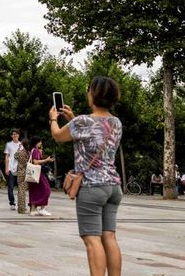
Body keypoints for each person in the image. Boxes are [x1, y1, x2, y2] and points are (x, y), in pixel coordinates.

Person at [51, 76, 124, 276]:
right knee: (109, 237)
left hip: (92, 188)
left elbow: (58, 136)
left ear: (93, 94)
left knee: (92, 239)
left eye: (88, 89)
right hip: (113, 187)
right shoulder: (116, 122)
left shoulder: (83, 121)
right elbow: (95, 132)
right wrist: (73, 119)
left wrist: (53, 119)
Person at [28, 137, 54, 216]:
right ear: (36, 142)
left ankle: (33, 209)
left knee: (34, 190)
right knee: (47, 190)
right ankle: (42, 208)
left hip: (33, 174)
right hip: (38, 173)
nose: (41, 143)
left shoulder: (32, 150)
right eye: (40, 142)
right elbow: (35, 162)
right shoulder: (35, 150)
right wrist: (46, 160)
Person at [3, 129, 23, 210]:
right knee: (10, 187)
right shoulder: (8, 144)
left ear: (18, 135)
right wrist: (6, 168)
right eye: (13, 134)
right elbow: (7, 157)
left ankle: (21, 203)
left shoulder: (21, 145)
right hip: (11, 167)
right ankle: (12, 203)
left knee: (20, 187)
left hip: (19, 167)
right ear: (11, 136)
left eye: (16, 134)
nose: (15, 135)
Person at [15, 142, 30, 213]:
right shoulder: (29, 153)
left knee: (20, 191)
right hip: (27, 173)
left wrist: (18, 148)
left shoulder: (20, 152)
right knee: (23, 191)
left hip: (20, 172)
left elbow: (15, 156)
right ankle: (23, 207)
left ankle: (21, 208)